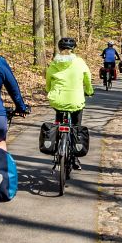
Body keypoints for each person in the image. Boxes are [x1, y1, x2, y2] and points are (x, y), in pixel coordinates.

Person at [45, 37, 94, 169]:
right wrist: (89, 91)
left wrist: (50, 91)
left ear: (59, 48)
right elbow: (87, 77)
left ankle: (57, 147)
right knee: (76, 127)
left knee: (59, 120)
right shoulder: (79, 62)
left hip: (57, 99)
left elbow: (48, 80)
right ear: (73, 49)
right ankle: (75, 158)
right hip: (76, 100)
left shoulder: (54, 63)